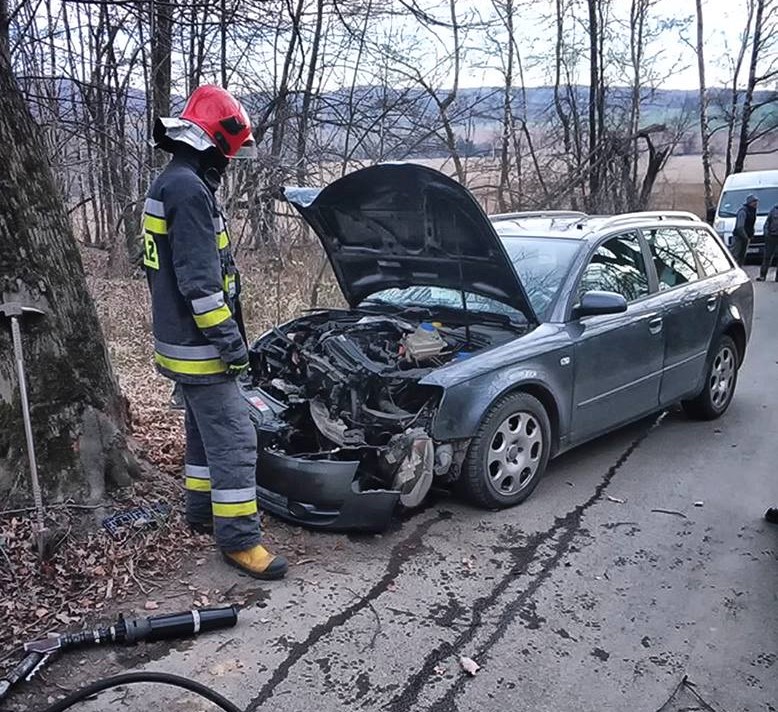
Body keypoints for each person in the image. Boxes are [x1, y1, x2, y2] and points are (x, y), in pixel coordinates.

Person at [143, 85, 287, 580]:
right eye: (228, 152)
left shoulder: (171, 182)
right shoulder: (188, 190)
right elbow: (202, 287)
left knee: (203, 435)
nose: (228, 163)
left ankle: (201, 513)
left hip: (179, 341)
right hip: (202, 345)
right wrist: (233, 346)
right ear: (211, 143)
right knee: (235, 438)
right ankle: (240, 541)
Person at [731, 194, 758, 267]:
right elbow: (740, 227)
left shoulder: (752, 211)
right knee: (735, 255)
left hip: (746, 237)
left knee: (742, 256)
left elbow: (751, 224)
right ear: (750, 202)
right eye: (754, 201)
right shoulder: (743, 211)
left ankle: (739, 268)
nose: (756, 203)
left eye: (756, 201)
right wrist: (745, 236)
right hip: (739, 238)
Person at [756, 202, 778, 281]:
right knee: (767, 257)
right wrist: (766, 233)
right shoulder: (773, 210)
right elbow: (767, 223)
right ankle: (762, 275)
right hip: (771, 237)